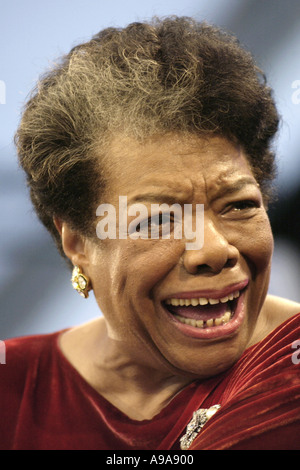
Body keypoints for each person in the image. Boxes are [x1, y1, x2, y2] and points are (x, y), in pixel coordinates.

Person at [1, 16, 299, 450]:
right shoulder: (14, 380)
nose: (214, 250)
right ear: (78, 243)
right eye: (157, 221)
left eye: (239, 205)